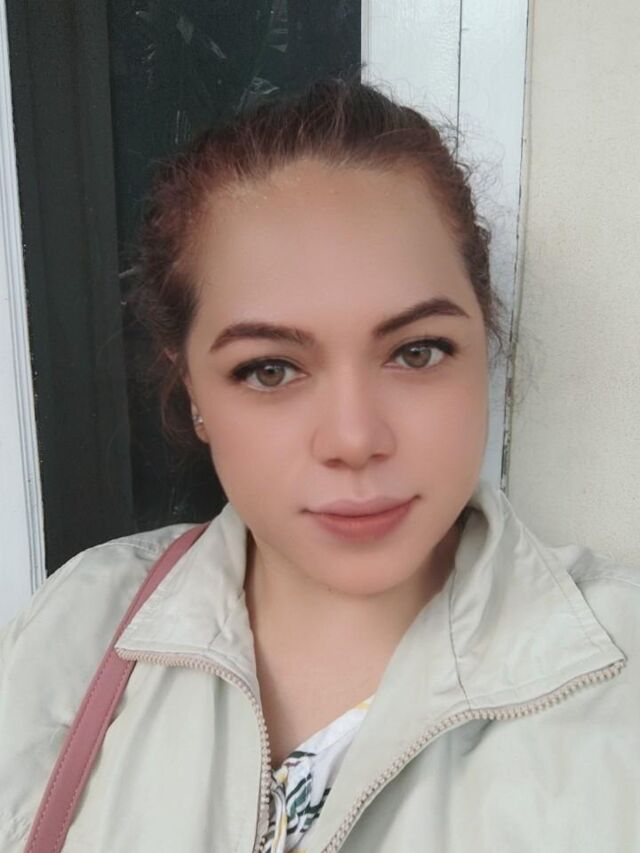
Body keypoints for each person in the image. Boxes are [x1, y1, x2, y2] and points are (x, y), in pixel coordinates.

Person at [1, 73, 639, 853]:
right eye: (269, 368)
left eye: (417, 351)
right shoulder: (76, 625)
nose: (354, 438)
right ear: (192, 388)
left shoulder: (620, 683)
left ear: (485, 345)